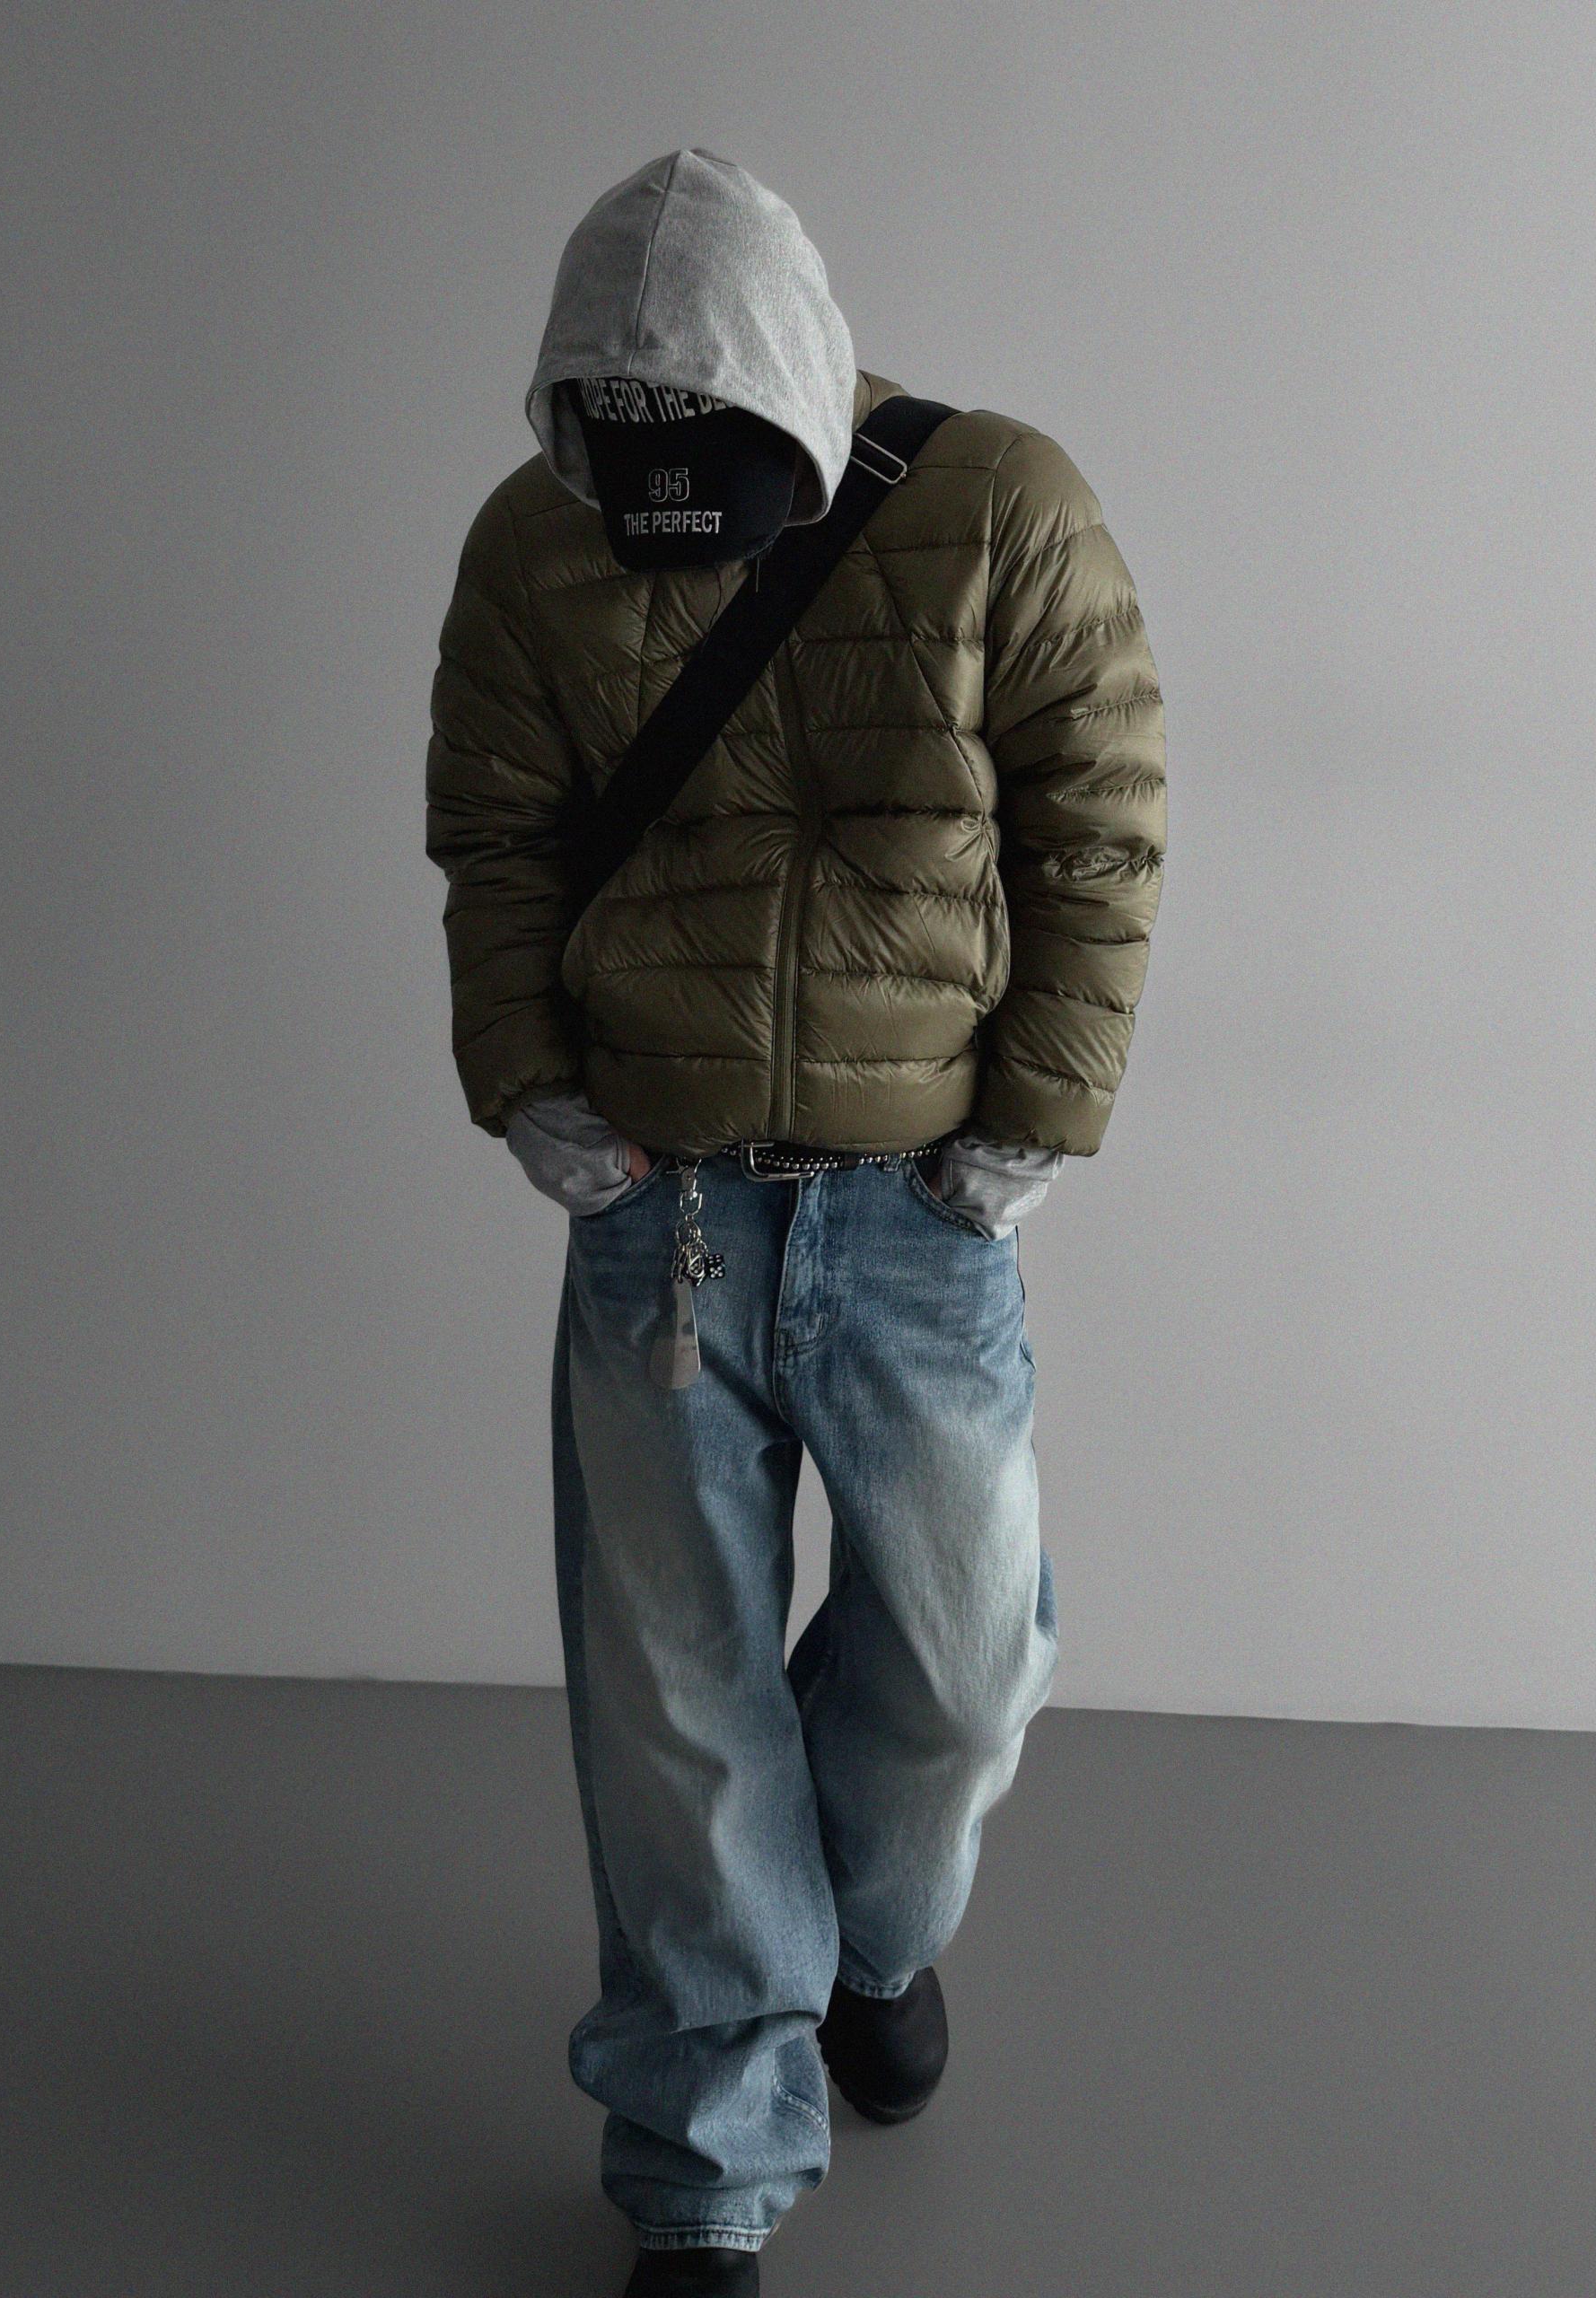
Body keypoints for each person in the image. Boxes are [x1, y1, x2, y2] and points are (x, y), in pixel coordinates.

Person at [425, 146, 1166, 2297]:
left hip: (918, 1214)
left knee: (966, 1660)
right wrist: (527, 1076)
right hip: (654, 1212)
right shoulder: (534, 541)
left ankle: (868, 1937)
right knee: (677, 1706)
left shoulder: (1002, 508)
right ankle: (702, 2167)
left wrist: (1037, 1119)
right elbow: (497, 834)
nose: (657, 491)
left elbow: (1102, 820)